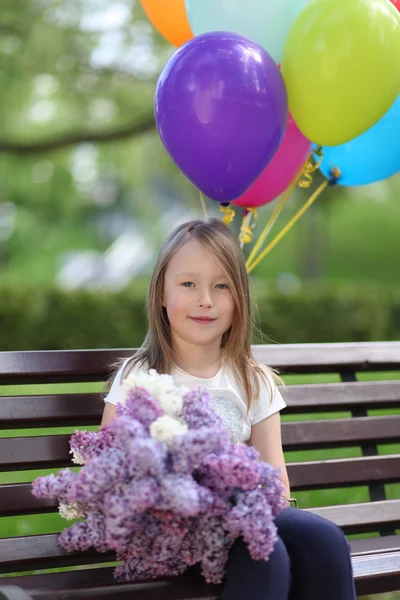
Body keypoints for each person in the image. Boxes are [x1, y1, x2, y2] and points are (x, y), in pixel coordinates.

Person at [101, 218, 356, 600]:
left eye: (221, 286)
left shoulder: (252, 379)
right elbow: (108, 468)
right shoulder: (139, 377)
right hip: (171, 529)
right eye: (188, 284)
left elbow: (277, 485)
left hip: (242, 515)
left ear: (239, 299)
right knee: (265, 554)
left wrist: (245, 505)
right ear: (161, 294)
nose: (206, 299)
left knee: (325, 540)